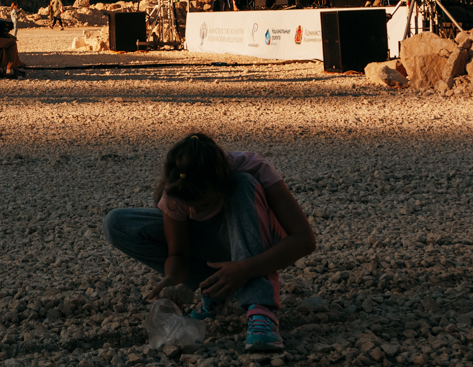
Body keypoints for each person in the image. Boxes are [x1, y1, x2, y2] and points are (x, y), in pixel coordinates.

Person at [102, 132, 315, 353]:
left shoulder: (253, 168)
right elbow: (179, 254)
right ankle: (215, 287)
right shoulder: (177, 188)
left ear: (220, 186)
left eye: (202, 206)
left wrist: (245, 269)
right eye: (189, 206)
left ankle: (261, 308)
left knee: (244, 183)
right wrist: (173, 278)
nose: (194, 211)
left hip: (260, 241)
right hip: (219, 248)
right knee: (116, 223)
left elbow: (305, 240)